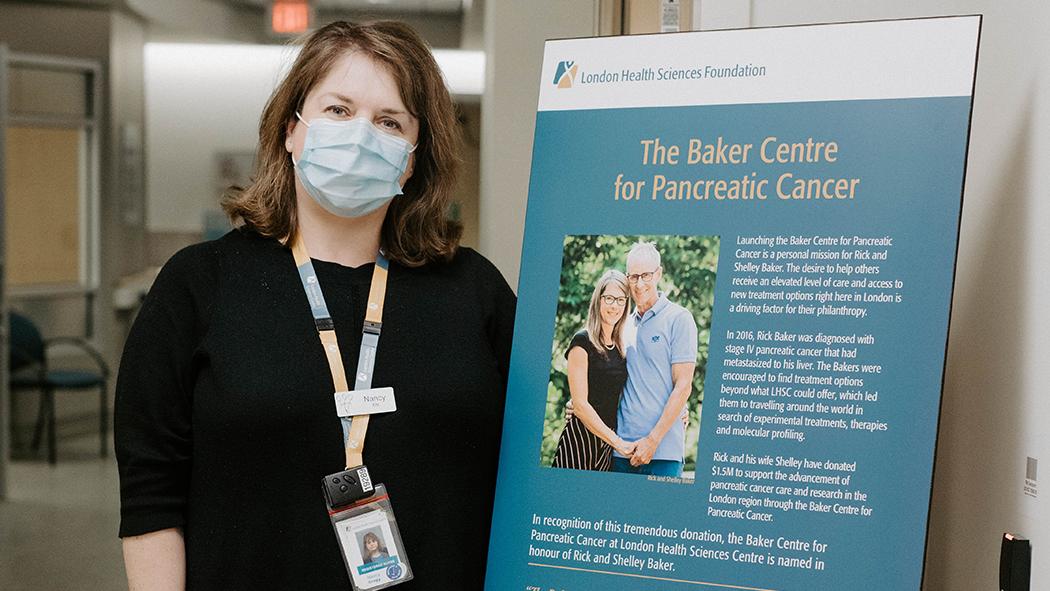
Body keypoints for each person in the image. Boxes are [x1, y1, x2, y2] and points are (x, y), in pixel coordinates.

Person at [116, 21, 515, 590]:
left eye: (389, 121)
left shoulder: (475, 291)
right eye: (337, 110)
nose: (360, 135)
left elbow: (533, 464)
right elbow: (151, 494)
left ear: (411, 158)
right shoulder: (200, 285)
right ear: (290, 131)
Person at [613, 241, 697, 477]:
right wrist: (577, 403)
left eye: (646, 275)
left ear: (658, 273)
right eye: (633, 277)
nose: (640, 284)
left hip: (664, 453)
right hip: (622, 451)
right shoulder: (622, 325)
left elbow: (683, 386)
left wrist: (653, 440)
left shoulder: (679, 318)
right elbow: (608, 375)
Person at [552, 270, 635, 471]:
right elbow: (580, 405)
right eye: (609, 298)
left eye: (620, 300)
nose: (614, 305)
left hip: (606, 445)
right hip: (581, 438)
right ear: (598, 300)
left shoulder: (621, 347)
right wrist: (617, 442)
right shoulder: (582, 341)